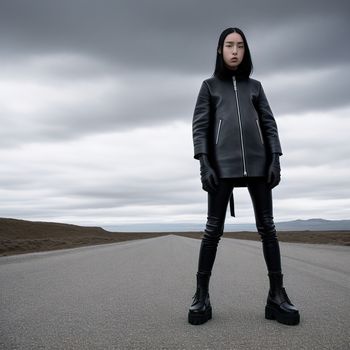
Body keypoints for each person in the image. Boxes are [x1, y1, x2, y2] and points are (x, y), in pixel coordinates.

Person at [188, 27, 300, 326]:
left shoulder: (256, 87)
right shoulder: (209, 86)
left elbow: (269, 123)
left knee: (268, 228)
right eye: (229, 45)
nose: (234, 51)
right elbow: (200, 127)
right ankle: (201, 296)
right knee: (213, 230)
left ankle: (277, 296)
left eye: (239, 46)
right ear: (220, 51)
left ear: (245, 51)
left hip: (259, 165)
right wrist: (204, 162)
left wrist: (275, 157)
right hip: (221, 167)